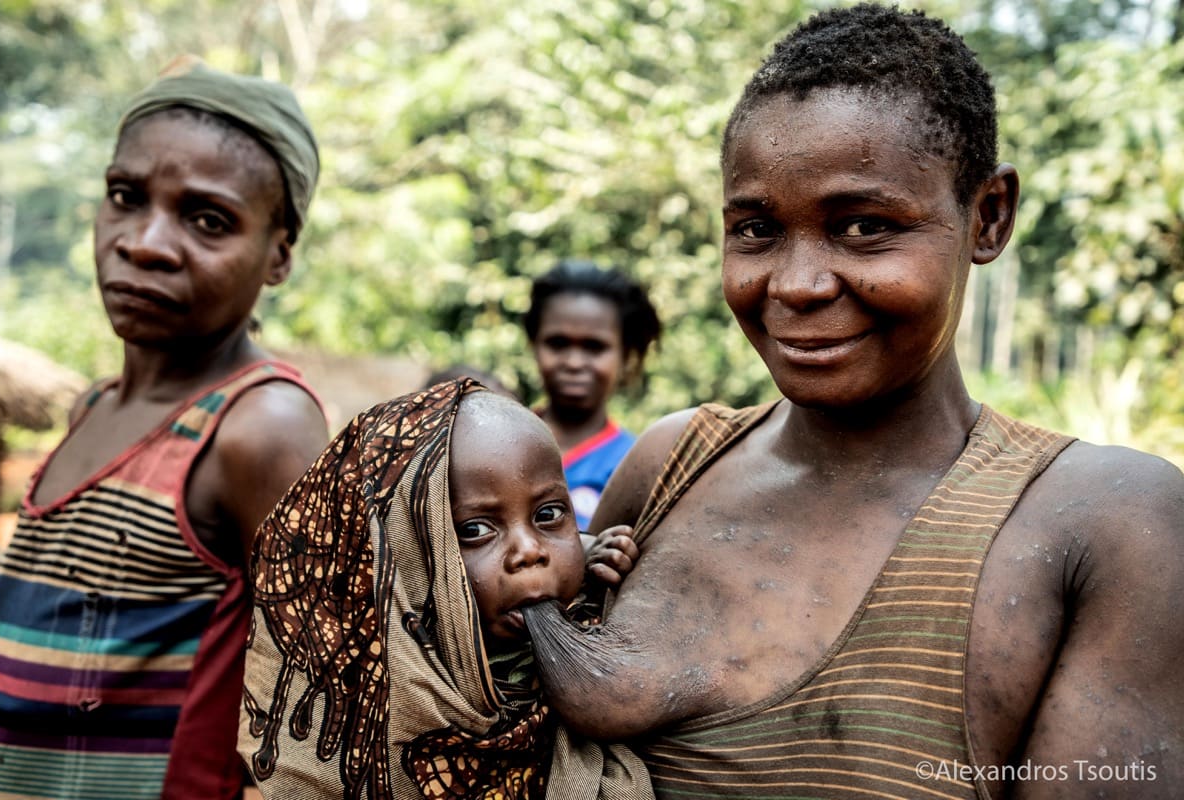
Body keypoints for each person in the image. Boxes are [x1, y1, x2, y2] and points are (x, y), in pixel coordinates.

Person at [522, 5, 1184, 799]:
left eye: (866, 227)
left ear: (989, 215)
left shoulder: (1109, 525)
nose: (797, 285)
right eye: (757, 229)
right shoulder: (672, 467)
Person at [0, 58, 330, 799]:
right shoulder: (93, 408)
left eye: (208, 219)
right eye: (125, 196)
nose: (144, 243)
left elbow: (325, 697)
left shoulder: (259, 426)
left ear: (278, 254)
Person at [240, 379, 651, 800]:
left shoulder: (598, 620)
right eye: (475, 530)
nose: (529, 551)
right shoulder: (364, 706)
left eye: (548, 514)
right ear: (410, 557)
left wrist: (587, 551)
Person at [523, 260, 660, 530]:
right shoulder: (495, 442)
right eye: (557, 343)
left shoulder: (635, 466)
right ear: (533, 344)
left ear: (626, 355)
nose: (574, 363)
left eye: (594, 347)